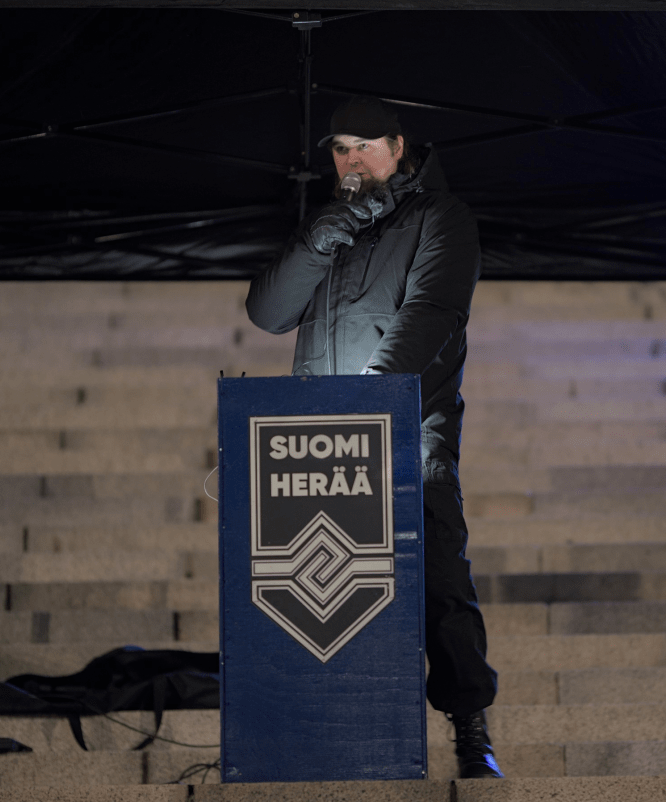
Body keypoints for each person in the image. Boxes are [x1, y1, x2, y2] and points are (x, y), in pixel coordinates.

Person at [246, 96, 502, 779]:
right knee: (324, 596)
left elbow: (432, 312)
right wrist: (321, 235)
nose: (350, 158)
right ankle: (328, 735)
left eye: (365, 145)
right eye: (340, 148)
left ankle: (471, 728)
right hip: (319, 455)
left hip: (408, 442)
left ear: (399, 147)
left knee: (439, 586)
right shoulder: (328, 226)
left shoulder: (442, 216)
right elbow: (267, 312)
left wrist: (367, 408)